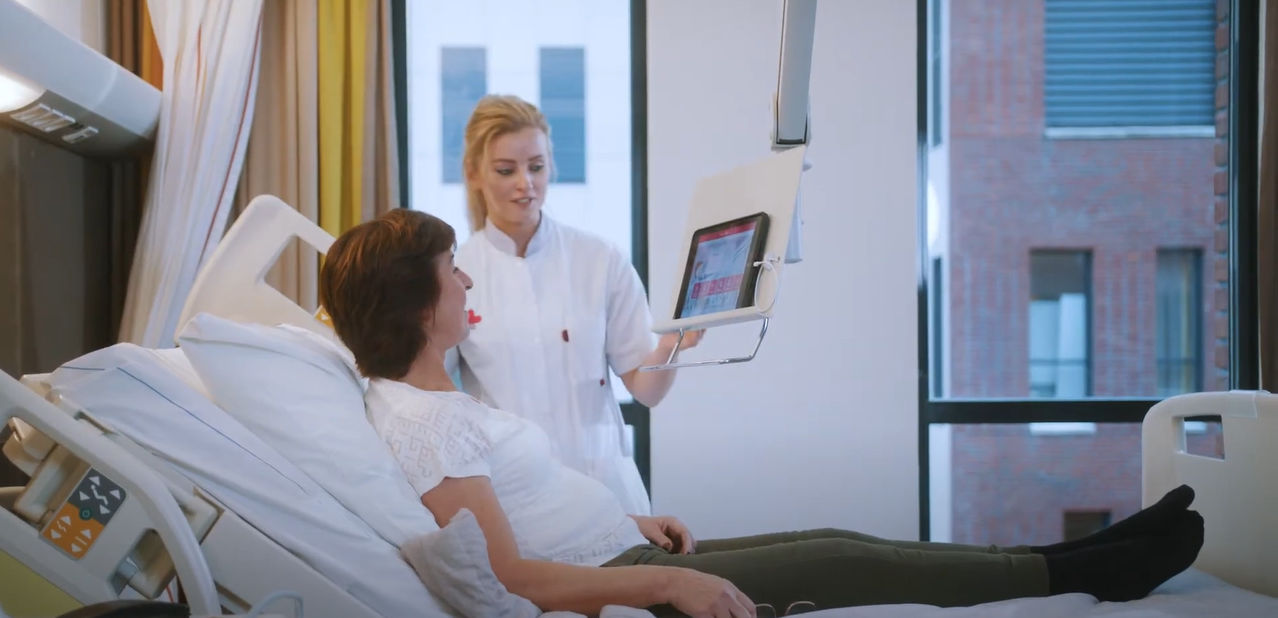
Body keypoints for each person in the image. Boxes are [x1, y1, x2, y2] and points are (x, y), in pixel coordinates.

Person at [317, 208, 1207, 618]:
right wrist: (665, 581)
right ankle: (1089, 574)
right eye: (450, 271)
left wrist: (630, 520)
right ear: (413, 306)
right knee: (847, 558)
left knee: (836, 535)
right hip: (624, 576)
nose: (469, 277)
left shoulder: (437, 398)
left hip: (622, 541)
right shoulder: (420, 423)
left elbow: (518, 513)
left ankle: (1085, 555)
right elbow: (515, 581)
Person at [445, 93, 702, 516]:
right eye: (506, 170)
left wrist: (674, 343)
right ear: (474, 173)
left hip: (607, 489)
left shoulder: (600, 260)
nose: (525, 183)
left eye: (537, 167)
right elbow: (434, 394)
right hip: (514, 500)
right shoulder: (457, 274)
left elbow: (646, 389)